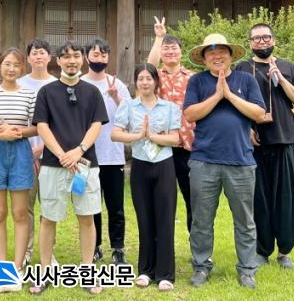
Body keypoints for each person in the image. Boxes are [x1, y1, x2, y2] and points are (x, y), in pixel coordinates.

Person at [183, 33, 266, 289]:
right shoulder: (197, 81)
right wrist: (216, 96)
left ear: (231, 56)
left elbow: (259, 113)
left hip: (241, 161)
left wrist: (229, 95)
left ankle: (247, 269)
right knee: (201, 220)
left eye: (222, 52)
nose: (216, 56)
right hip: (203, 161)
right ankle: (201, 266)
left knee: (245, 220)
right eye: (211, 52)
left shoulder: (246, 80)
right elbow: (190, 114)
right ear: (204, 58)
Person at [30, 40, 108, 295]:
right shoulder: (47, 92)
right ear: (59, 61)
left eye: (76, 56)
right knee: (48, 218)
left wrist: (78, 151)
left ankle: (87, 272)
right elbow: (42, 126)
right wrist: (62, 154)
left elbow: (96, 124)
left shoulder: (92, 92)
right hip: (54, 165)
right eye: (66, 57)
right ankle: (45, 273)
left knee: (87, 217)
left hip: (85, 165)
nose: (71, 61)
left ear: (83, 59)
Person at [235, 23, 294, 269]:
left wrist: (282, 79)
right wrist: (246, 129)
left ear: (274, 40)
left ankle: (285, 251)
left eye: (266, 37)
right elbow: (235, 103)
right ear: (250, 43)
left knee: (288, 199)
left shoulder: (288, 67)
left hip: (284, 140)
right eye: (256, 38)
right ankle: (262, 249)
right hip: (255, 144)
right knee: (259, 200)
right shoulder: (242, 68)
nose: (262, 41)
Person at [111, 63, 181, 292]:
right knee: (144, 218)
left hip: (164, 166)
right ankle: (145, 270)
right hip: (140, 166)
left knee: (165, 219)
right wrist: (138, 135)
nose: (144, 82)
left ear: (156, 81)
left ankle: (165, 274)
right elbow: (115, 134)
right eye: (140, 78)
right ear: (136, 82)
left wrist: (152, 136)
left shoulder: (169, 107)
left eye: (148, 78)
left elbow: (175, 139)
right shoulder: (128, 106)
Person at [0, 48, 37, 290]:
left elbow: (36, 127)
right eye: (7, 64)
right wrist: (1, 136)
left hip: (21, 153)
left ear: (22, 69)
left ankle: (18, 265)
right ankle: (2, 265)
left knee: (21, 213)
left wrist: (17, 132)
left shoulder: (29, 94)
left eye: (16, 65)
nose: (11, 69)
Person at [81, 38, 130, 265]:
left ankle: (118, 248)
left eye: (103, 54)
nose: (99, 58)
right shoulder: (79, 84)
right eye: (95, 54)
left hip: (112, 155)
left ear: (108, 58)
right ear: (86, 57)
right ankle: (95, 246)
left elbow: (130, 117)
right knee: (91, 205)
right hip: (87, 156)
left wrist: (115, 96)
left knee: (115, 205)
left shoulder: (117, 85)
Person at [147, 17, 195, 233]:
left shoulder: (193, 78)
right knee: (162, 199)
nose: (170, 52)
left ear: (181, 52)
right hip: (161, 146)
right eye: (166, 49)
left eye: (174, 48)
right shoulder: (156, 77)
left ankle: (198, 246)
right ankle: (162, 245)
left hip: (188, 146)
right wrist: (159, 38)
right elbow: (149, 66)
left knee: (193, 198)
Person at [17, 38, 57, 267]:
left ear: (49, 57)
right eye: (34, 53)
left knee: (49, 206)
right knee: (26, 207)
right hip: (24, 154)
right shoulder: (20, 84)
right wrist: (28, 149)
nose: (39, 56)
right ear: (29, 58)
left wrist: (43, 147)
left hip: (51, 155)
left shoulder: (57, 84)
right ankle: (27, 250)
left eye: (42, 52)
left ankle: (48, 254)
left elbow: (61, 123)